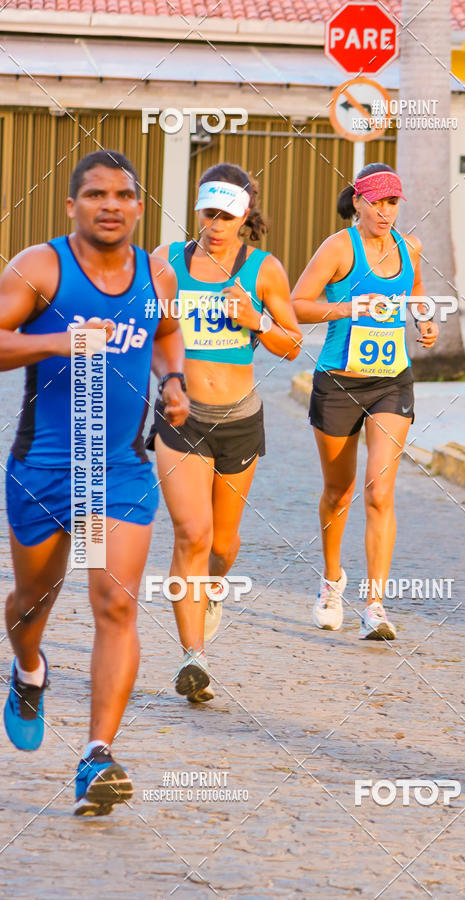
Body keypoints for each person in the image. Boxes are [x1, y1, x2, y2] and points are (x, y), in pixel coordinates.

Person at [1, 150, 188, 816]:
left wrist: (174, 382)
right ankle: (29, 670)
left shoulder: (158, 274)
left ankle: (97, 755)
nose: (110, 204)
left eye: (123, 195)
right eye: (96, 194)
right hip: (44, 466)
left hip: (120, 467)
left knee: (116, 605)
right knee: (30, 603)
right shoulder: (40, 266)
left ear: (139, 207)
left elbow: (167, 336)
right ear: (73, 206)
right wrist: (59, 341)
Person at [148, 162, 302, 703]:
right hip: (181, 418)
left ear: (245, 217)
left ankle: (213, 591)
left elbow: (292, 343)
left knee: (224, 544)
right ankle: (194, 657)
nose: (216, 224)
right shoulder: (166, 261)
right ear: (198, 211)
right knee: (192, 534)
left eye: (227, 215)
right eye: (208, 213)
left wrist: (255, 320)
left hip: (239, 420)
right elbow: (144, 331)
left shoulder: (263, 270)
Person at [291, 162, 438, 641]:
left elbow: (414, 291)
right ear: (357, 201)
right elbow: (296, 304)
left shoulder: (408, 247)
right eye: (376, 201)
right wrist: (352, 306)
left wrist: (423, 320)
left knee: (380, 491)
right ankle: (332, 581)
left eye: (393, 202)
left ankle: (375, 605)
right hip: (338, 381)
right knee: (340, 491)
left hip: (390, 381)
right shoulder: (338, 248)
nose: (385, 211)